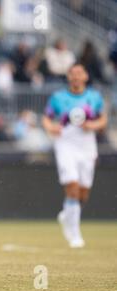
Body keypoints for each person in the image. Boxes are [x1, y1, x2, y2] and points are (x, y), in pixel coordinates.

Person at [42, 63, 107, 248]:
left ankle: (68, 214)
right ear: (69, 77)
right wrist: (51, 127)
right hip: (65, 143)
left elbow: (102, 119)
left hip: (87, 144)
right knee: (72, 184)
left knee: (83, 192)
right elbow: (47, 118)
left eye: (80, 73)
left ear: (86, 76)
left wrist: (93, 126)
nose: (76, 76)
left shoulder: (94, 97)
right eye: (73, 73)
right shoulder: (58, 97)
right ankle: (75, 234)